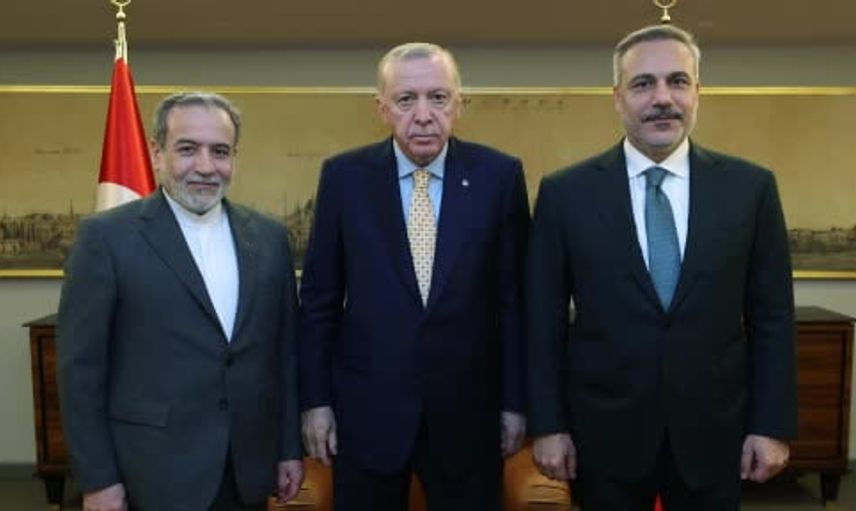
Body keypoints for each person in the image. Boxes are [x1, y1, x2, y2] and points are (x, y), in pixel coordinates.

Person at [526, 25, 797, 510]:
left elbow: (773, 317)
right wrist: (548, 425)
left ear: (698, 93)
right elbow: (543, 321)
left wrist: (771, 425)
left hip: (715, 434)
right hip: (603, 437)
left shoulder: (750, 189)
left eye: (678, 81)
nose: (662, 98)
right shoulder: (566, 194)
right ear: (618, 98)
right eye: (643, 84)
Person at [299, 42, 530, 510]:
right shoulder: (344, 178)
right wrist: (315, 402)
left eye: (438, 98)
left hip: (469, 418)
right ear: (382, 108)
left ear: (459, 104)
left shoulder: (499, 176)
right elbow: (320, 302)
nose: (423, 115)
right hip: (367, 418)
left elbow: (515, 303)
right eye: (406, 100)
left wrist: (515, 402)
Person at [57, 91, 304, 511]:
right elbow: (80, 372)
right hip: (152, 473)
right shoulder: (106, 237)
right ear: (157, 153)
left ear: (234, 157)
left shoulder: (269, 238)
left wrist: (288, 449)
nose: (206, 166)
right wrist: (98, 480)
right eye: (188, 149)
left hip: (246, 469)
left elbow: (283, 355)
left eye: (220, 151)